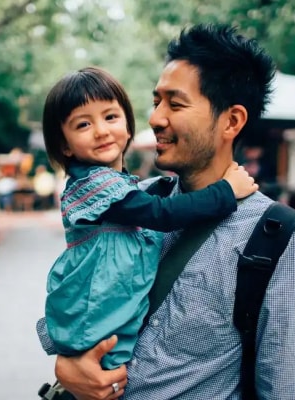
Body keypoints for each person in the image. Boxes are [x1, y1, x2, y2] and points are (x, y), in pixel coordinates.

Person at [43, 24, 295, 400]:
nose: (156, 118)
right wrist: (67, 366)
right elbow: (80, 295)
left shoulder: (278, 238)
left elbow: (284, 390)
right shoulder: (133, 203)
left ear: (232, 121)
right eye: (156, 101)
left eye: (175, 104)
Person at [36, 66, 258, 371]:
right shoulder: (96, 185)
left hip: (109, 315)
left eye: (110, 117)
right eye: (83, 124)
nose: (101, 130)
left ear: (127, 124)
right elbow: (163, 215)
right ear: (64, 144)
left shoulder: (123, 186)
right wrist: (227, 191)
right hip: (97, 315)